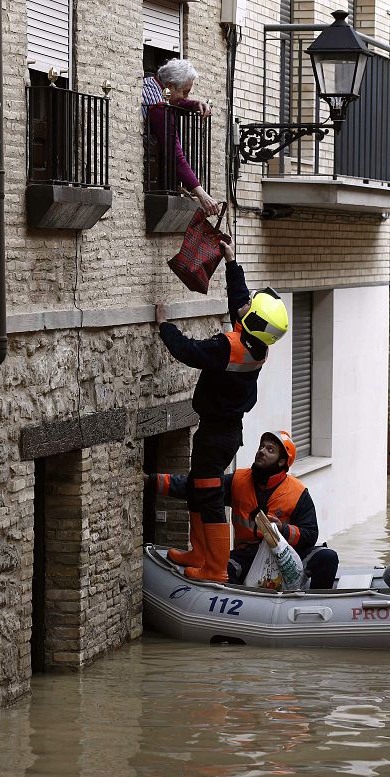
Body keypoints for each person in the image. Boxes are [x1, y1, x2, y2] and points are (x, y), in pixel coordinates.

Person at [155, 239, 289, 583]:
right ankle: (199, 553)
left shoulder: (229, 348)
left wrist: (164, 325)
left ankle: (214, 567)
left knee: (210, 496)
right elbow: (239, 303)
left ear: (253, 320)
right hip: (224, 432)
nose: (245, 308)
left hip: (217, 435)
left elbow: (188, 351)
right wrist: (231, 263)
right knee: (199, 489)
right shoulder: (257, 345)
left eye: (250, 309)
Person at [145, 430, 339, 591]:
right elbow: (195, 488)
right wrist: (151, 480)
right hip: (247, 554)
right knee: (225, 572)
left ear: (281, 462)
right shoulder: (238, 481)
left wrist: (283, 530)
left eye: (270, 450)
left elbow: (310, 534)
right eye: (261, 447)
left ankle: (316, 605)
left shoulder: (297, 492)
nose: (261, 451)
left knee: (327, 557)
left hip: (287, 554)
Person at [142, 58, 220, 215]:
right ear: (170, 86)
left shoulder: (149, 84)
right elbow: (175, 156)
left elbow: (173, 101)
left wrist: (193, 104)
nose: (186, 97)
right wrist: (202, 194)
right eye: (185, 92)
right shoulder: (160, 110)